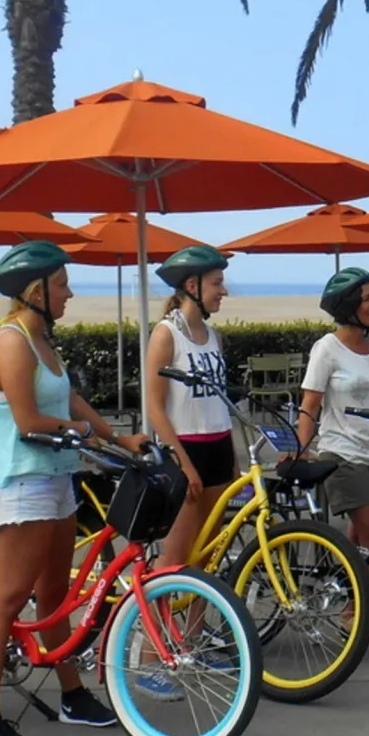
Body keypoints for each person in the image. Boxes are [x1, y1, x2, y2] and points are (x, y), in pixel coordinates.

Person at [0, 241, 144, 736]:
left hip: (56, 479)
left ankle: (72, 695)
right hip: (21, 482)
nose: (70, 293)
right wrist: (82, 435)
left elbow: (69, 399)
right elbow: (29, 421)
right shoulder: (12, 343)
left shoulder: (42, 340)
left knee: (54, 592)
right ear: (36, 290)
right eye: (62, 285)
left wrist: (118, 438)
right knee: (9, 598)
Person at [293, 268, 369, 649]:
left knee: (362, 537)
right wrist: (301, 452)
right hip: (343, 453)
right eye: (366, 298)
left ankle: (350, 611)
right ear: (348, 307)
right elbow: (310, 406)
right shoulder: (326, 349)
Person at [144, 245, 238, 573]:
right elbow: (154, 407)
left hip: (219, 447)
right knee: (174, 559)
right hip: (185, 449)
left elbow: (218, 401)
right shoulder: (166, 334)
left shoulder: (213, 336)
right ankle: (153, 609)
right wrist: (183, 464)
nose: (223, 291)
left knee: (207, 557)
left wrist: (233, 459)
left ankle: (195, 613)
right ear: (191, 286)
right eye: (217, 283)